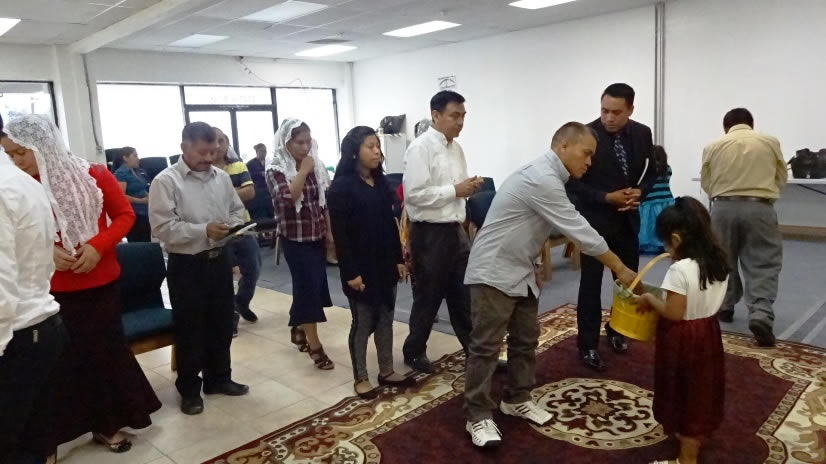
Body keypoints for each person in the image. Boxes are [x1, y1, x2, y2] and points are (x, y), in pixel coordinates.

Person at [462, 122, 638, 447]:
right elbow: (578, 229)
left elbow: (536, 226)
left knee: (526, 338)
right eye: (586, 154)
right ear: (563, 146)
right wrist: (620, 268)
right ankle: (477, 415)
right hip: (493, 269)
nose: (589, 162)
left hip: (521, 267)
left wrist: (535, 264)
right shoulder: (541, 177)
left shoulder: (555, 178)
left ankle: (517, 398)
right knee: (486, 347)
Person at [2, 115, 161, 458]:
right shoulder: (17, 187)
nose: (15, 160)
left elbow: (124, 216)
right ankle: (52, 438)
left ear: (43, 145)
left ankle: (107, 423)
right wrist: (47, 250)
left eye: (20, 152)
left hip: (99, 281)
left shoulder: (93, 174)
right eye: (9, 154)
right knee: (59, 366)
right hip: (50, 291)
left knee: (102, 356)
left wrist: (97, 246)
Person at [149, 122, 250, 415]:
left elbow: (236, 210)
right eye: (203, 152)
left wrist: (233, 227)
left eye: (213, 152)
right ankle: (190, 390)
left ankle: (219, 379)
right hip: (187, 265)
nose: (209, 158)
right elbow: (162, 228)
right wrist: (203, 230)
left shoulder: (221, 177)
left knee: (222, 322)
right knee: (190, 328)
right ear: (184, 147)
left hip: (220, 259)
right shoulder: (166, 181)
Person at [566, 83, 656, 371]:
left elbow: (652, 172)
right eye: (604, 110)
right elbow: (574, 185)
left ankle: (618, 330)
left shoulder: (642, 133)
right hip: (595, 224)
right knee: (590, 286)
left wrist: (640, 192)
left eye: (616, 112)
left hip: (628, 222)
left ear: (630, 109)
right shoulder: (587, 135)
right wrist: (606, 197)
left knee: (626, 283)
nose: (608, 117)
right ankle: (588, 345)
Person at [637, 197, 730, 464]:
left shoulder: (680, 270)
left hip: (683, 338)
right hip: (708, 331)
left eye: (666, 243)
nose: (666, 250)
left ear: (676, 239)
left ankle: (686, 458)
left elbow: (674, 313)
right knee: (702, 389)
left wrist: (650, 299)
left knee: (684, 391)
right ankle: (693, 439)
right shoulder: (718, 260)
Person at [328, 126, 417, 398]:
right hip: (360, 267)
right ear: (355, 152)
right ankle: (361, 377)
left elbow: (390, 226)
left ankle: (386, 370)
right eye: (371, 146)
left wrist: (398, 260)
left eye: (378, 146)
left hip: (384, 264)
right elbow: (340, 236)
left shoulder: (380, 182)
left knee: (386, 318)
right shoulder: (341, 187)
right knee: (363, 322)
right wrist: (350, 272)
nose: (377, 151)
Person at [0, 114, 69, 464]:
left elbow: (1, 288)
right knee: (30, 443)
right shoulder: (20, 181)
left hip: (16, 336)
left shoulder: (5, 186)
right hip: (37, 328)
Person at [402, 90, 481, 374]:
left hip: (455, 230)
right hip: (429, 234)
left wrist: (468, 188)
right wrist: (455, 190)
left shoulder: (456, 148)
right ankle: (413, 351)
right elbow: (414, 195)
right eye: (454, 116)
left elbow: (455, 190)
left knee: (463, 296)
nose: (460, 122)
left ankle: (476, 353)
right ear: (436, 115)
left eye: (463, 116)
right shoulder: (420, 148)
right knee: (429, 297)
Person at [701, 108, 786, 346]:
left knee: (721, 258)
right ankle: (761, 313)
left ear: (725, 127)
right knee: (763, 262)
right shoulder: (770, 142)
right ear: (751, 124)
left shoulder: (713, 146)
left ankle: (725, 306)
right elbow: (780, 176)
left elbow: (707, 181)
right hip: (760, 206)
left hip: (722, 207)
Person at [267, 118, 335, 370]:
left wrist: (329, 233)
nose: (305, 147)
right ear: (286, 143)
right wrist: (303, 171)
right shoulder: (276, 169)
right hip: (294, 239)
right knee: (307, 289)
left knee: (314, 287)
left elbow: (323, 201)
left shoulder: (316, 165)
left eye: (308, 141)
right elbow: (288, 199)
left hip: (316, 235)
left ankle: (298, 326)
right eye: (299, 142)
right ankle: (315, 346)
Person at [213, 128, 260, 334]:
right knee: (223, 277)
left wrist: (222, 193)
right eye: (214, 141)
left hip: (243, 227)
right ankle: (230, 315)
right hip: (219, 231)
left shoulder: (238, 165)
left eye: (222, 141)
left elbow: (250, 192)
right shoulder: (204, 170)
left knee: (253, 270)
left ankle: (240, 303)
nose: (218, 145)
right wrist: (235, 193)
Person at [639, 146, 675, 254]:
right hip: (666, 201)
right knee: (664, 225)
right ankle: (663, 245)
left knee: (648, 225)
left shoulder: (648, 170)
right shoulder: (668, 169)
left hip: (650, 201)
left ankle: (647, 246)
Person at [113, 147, 152, 242]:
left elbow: (142, 188)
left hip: (145, 212)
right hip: (134, 214)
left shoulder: (138, 171)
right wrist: (142, 201)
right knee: (139, 243)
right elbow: (121, 197)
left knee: (147, 241)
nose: (138, 158)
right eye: (135, 156)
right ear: (125, 158)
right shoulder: (121, 173)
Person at [246, 143, 275, 221]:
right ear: (257, 152)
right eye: (262, 151)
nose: (264, 153)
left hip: (269, 188)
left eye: (265, 151)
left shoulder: (269, 163)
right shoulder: (250, 164)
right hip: (257, 189)